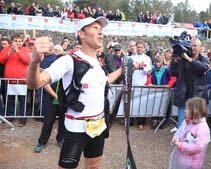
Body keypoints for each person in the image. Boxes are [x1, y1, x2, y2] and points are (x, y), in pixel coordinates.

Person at [26, 17, 123, 169]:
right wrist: (35, 61)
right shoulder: (68, 60)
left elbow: (105, 81)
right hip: (76, 129)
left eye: (101, 29)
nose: (101, 33)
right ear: (81, 34)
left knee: (94, 166)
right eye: (95, 28)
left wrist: (123, 69)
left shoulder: (97, 62)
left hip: (98, 126)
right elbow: (35, 83)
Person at [170, 38, 209, 132]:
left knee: (196, 121)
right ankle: (180, 139)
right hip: (183, 93)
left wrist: (188, 59)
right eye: (191, 45)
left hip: (197, 94)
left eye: (195, 45)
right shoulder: (183, 59)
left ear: (200, 47)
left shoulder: (204, 59)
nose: (193, 47)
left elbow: (203, 69)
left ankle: (194, 140)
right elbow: (173, 72)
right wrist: (175, 60)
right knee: (182, 121)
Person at [168, 97, 211, 169]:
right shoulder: (187, 121)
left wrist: (181, 145)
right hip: (181, 158)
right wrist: (175, 138)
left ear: (195, 111)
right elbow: (180, 131)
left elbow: (198, 146)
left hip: (191, 163)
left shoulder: (202, 128)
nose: (185, 111)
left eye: (187, 109)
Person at [0, 33, 30, 126]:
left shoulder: (25, 50)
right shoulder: (6, 49)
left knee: (22, 100)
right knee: (10, 100)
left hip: (21, 80)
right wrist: (9, 52)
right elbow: (1, 60)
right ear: (12, 41)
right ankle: (10, 116)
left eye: (20, 41)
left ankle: (23, 118)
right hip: (9, 79)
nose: (18, 43)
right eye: (16, 41)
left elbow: (27, 61)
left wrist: (17, 51)